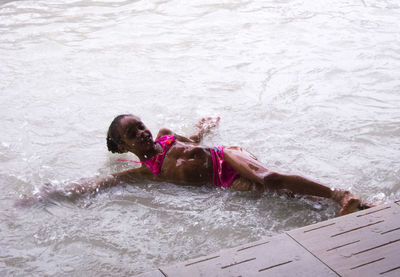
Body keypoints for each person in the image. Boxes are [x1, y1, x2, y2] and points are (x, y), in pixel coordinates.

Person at [22, 114, 370, 215]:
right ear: (122, 145)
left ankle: (341, 194)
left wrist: (205, 126)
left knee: (272, 179)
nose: (143, 133)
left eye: (141, 126)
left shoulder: (166, 135)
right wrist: (54, 193)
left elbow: (195, 140)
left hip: (225, 156)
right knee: (286, 198)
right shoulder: (145, 172)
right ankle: (353, 207)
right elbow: (100, 184)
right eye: (133, 133)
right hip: (223, 182)